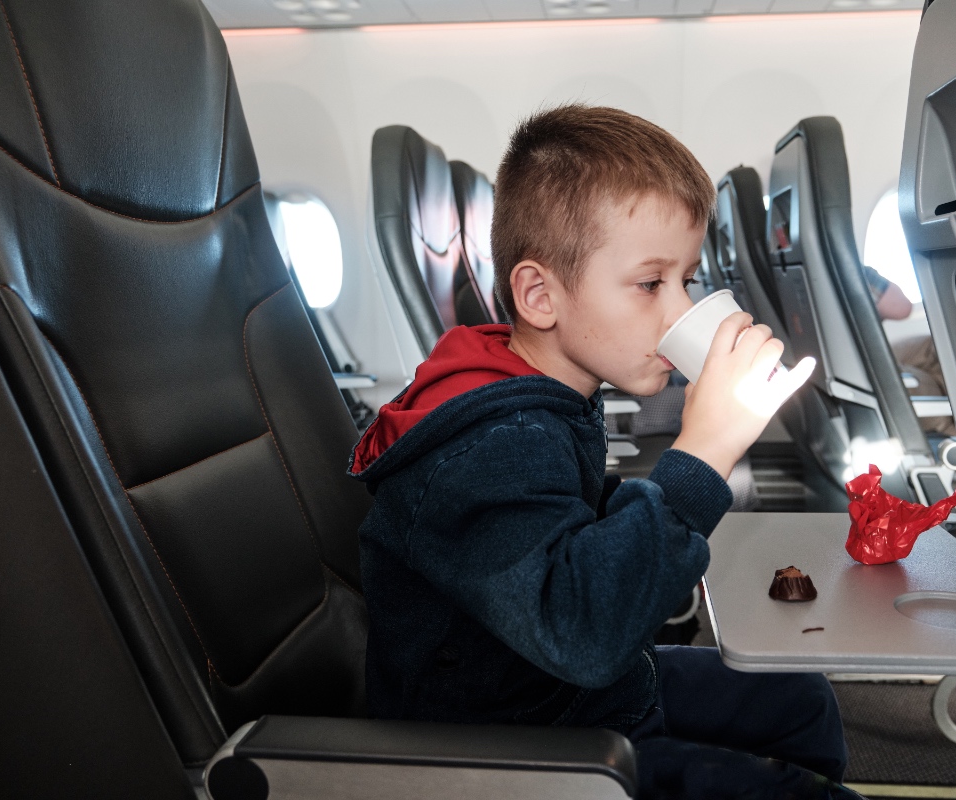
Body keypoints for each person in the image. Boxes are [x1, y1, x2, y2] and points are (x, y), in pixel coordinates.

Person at [349, 105, 862, 800]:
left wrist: (659, 492)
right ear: (539, 295)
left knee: (800, 699)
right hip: (513, 746)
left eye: (684, 280)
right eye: (651, 284)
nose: (679, 310)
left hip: (572, 690)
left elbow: (561, 528)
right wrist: (702, 452)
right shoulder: (487, 445)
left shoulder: (542, 391)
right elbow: (580, 632)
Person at [863, 265, 955, 437]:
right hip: (867, 369)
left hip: (860, 359)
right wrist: (867, 274)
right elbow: (902, 308)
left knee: (937, 345)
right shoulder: (846, 267)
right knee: (930, 380)